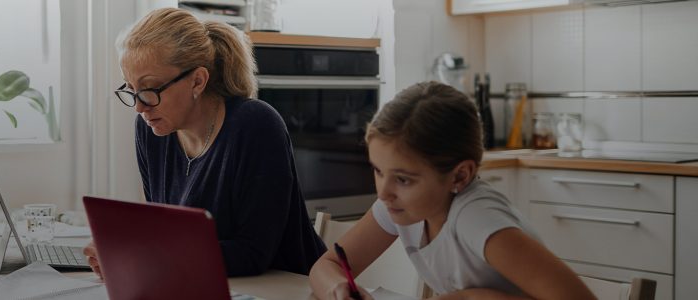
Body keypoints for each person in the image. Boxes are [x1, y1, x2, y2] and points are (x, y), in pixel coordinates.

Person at [83, 8, 326, 278]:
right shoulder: (150, 128)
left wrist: (148, 257)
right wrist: (124, 250)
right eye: (131, 89)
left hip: (288, 288)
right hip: (202, 284)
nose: (139, 107)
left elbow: (253, 254)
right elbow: (163, 232)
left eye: (150, 90)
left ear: (197, 81)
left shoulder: (256, 126)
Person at [308, 82, 595, 300]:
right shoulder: (399, 206)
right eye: (379, 171)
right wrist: (338, 287)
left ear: (460, 175)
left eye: (404, 179)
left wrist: (470, 296)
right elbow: (328, 264)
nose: (384, 192)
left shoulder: (477, 219)